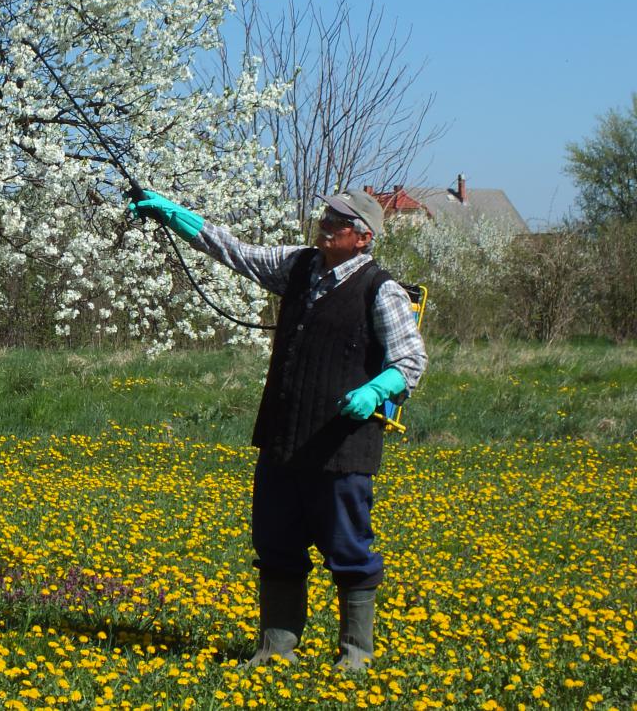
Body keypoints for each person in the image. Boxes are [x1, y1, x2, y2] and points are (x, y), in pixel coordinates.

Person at [129, 188, 427, 670]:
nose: (327, 224)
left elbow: (411, 360)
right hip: (283, 439)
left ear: (364, 238)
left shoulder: (381, 289)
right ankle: (275, 650)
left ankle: (355, 654)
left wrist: (378, 389)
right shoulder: (300, 265)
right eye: (327, 215)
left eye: (340, 221)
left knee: (349, 549)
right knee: (276, 544)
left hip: (342, 447)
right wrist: (175, 215)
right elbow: (237, 252)